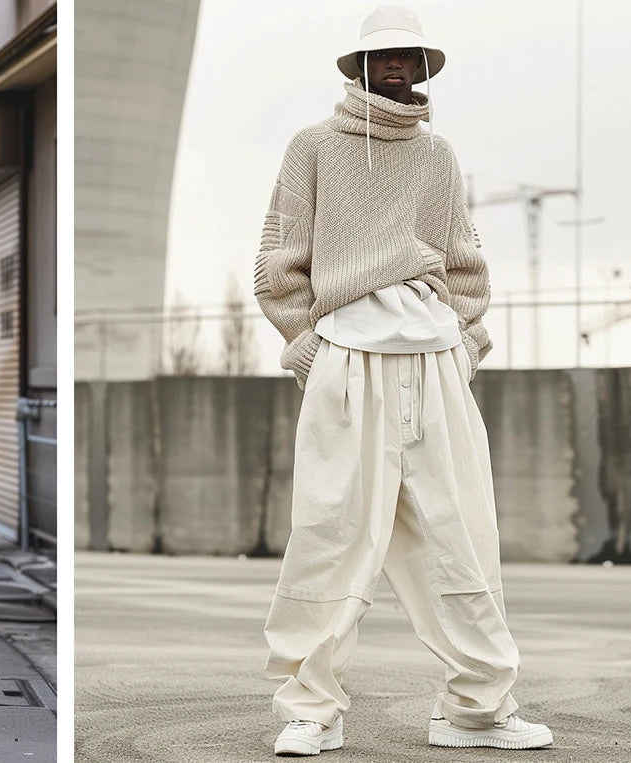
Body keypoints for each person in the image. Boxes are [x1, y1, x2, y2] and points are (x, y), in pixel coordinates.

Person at [253, 6, 553, 756]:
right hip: (345, 354)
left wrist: (464, 344)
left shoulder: (439, 155)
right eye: (383, 56)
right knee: (330, 530)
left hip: (433, 357)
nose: (396, 67)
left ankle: (477, 708)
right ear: (357, 65)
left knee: (462, 531)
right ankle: (311, 710)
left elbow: (464, 262)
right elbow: (279, 258)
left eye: (407, 56)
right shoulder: (313, 146)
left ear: (423, 66)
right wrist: (306, 346)